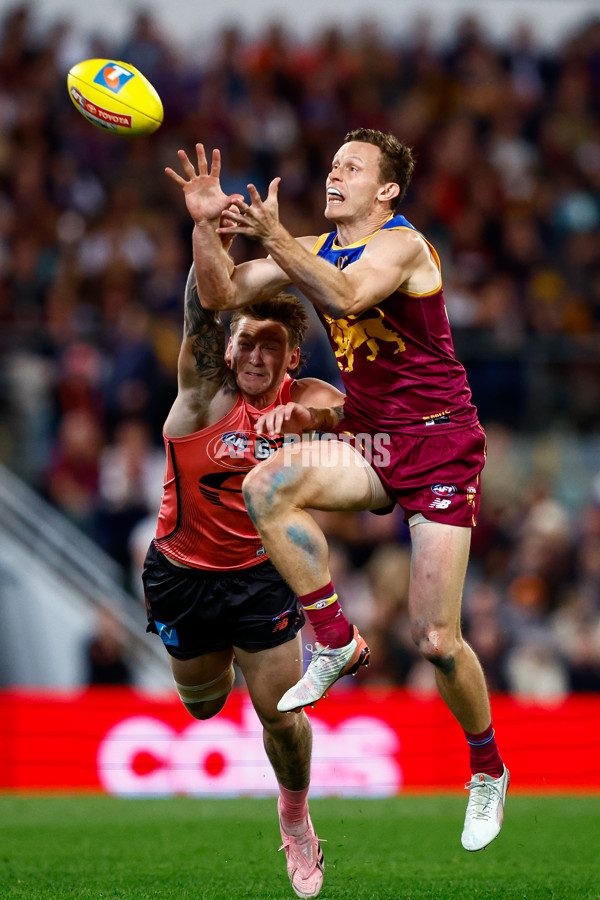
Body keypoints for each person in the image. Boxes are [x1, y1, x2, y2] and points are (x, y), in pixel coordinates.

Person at [165, 128, 509, 853]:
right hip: (375, 442)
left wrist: (279, 240)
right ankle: (335, 638)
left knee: (436, 641)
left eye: (352, 167)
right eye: (332, 164)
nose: (335, 174)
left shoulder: (403, 247)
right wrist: (204, 228)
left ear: (386, 190)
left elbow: (348, 294)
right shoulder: (314, 249)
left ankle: (487, 770)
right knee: (267, 485)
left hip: (441, 446)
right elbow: (222, 292)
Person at [142, 261, 346, 898]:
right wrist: (208, 232)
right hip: (182, 576)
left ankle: (295, 819)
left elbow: (338, 406)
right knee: (202, 707)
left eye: (272, 346)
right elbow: (197, 311)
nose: (257, 355)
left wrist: (305, 422)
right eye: (247, 340)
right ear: (228, 347)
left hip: (261, 578)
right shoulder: (203, 393)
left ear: (289, 359)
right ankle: (223, 657)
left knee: (281, 717)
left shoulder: (298, 396)